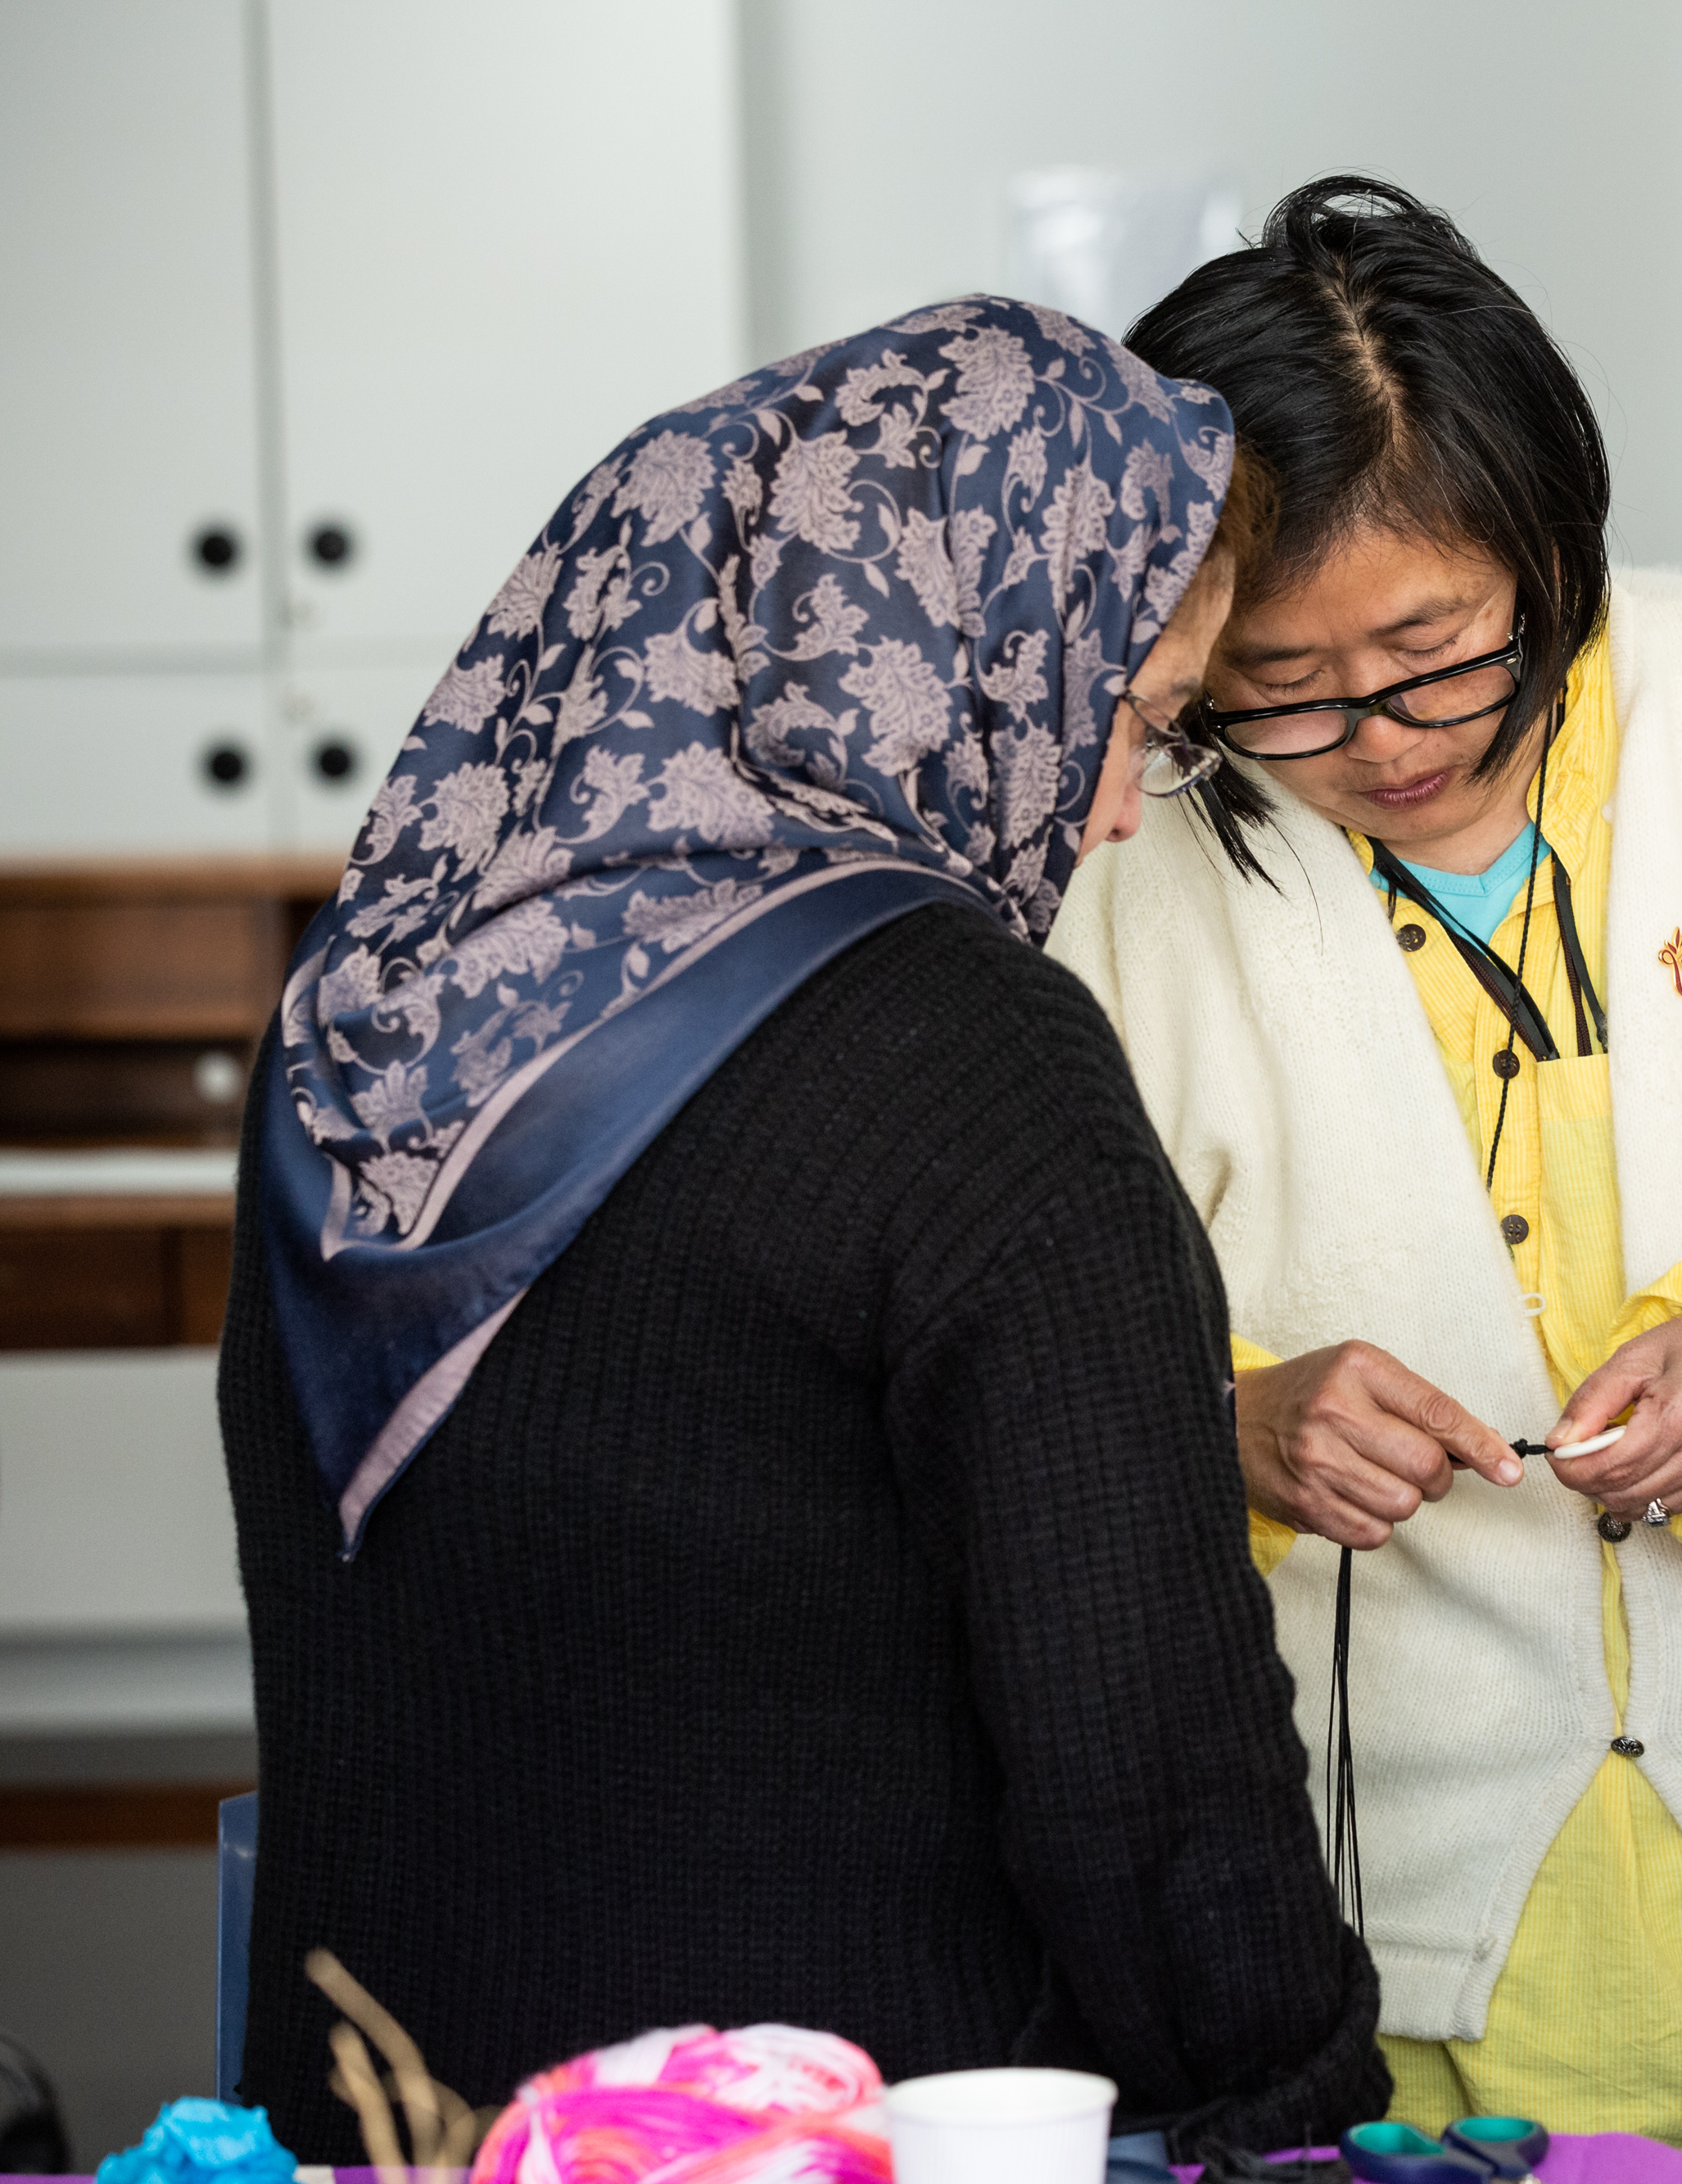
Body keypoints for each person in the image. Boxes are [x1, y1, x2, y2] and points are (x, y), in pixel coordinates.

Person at [219, 296, 1386, 2162]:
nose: (1106, 820)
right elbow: (1147, 1771)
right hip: (812, 2132)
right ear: (960, 649)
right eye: (1131, 719)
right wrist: (1304, 2106)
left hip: (373, 2122)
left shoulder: (353, 1028)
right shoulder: (970, 1064)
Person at [1044, 178, 1682, 2151]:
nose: (1376, 736)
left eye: (1434, 645)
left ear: (1546, 538)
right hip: (1383, 1951)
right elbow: (1018, 1373)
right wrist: (1235, 1424)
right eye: (1278, 679)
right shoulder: (1135, 851)